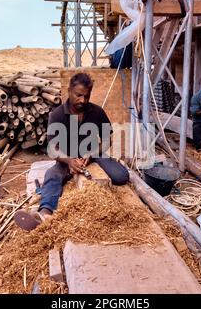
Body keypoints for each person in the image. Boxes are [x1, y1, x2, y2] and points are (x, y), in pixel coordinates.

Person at [14, 73, 129, 230]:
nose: (83, 100)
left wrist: (92, 153)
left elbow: (107, 139)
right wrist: (69, 161)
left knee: (121, 176)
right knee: (52, 175)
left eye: (86, 96)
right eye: (79, 95)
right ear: (69, 91)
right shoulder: (57, 115)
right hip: (67, 157)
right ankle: (44, 213)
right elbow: (52, 148)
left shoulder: (97, 112)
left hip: (93, 154)